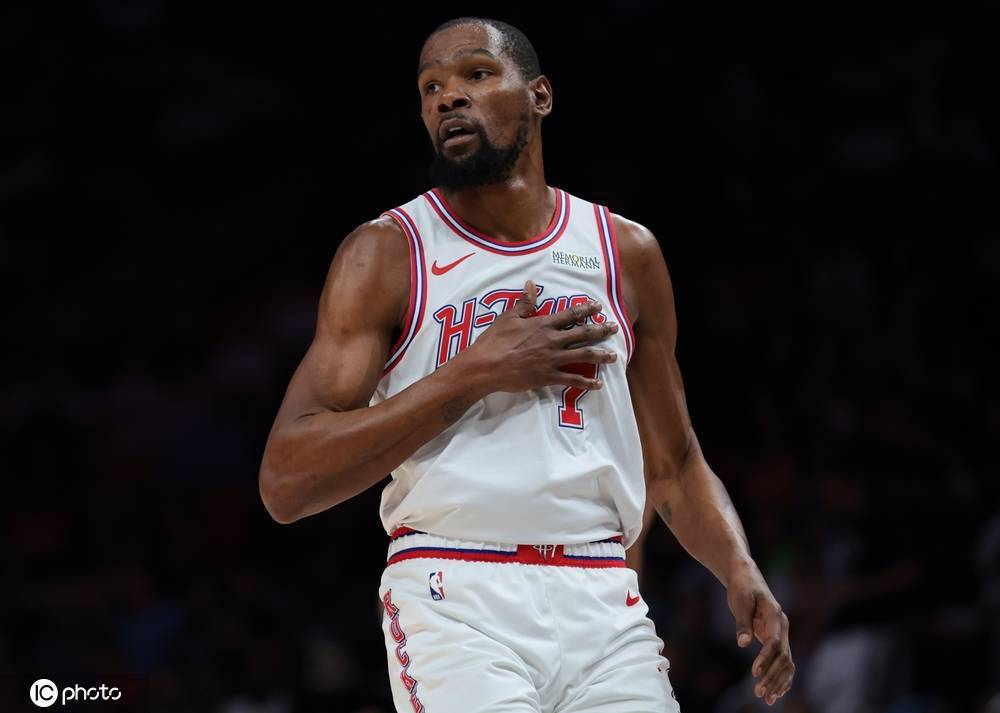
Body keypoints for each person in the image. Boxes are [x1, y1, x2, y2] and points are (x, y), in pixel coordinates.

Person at [258, 16, 794, 712]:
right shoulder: (388, 253)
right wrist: (474, 372)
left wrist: (739, 568)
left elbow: (674, 463)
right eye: (430, 87)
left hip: (602, 597)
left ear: (539, 96)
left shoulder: (624, 253)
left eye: (476, 74)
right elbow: (286, 481)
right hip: (455, 592)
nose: (449, 97)